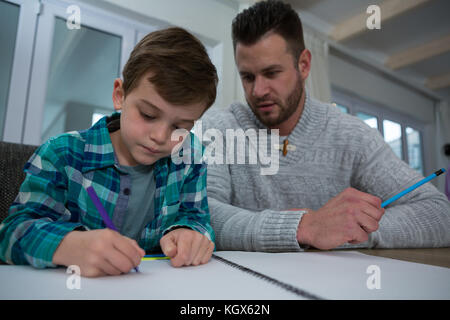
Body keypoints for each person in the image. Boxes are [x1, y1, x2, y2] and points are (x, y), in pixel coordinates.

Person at [201, 0, 450, 252]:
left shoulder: (353, 136)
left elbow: (440, 214)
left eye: (272, 72)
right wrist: (305, 227)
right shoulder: (219, 129)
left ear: (304, 65)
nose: (258, 90)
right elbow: (200, 215)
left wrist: (352, 231)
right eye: (248, 77)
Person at [0, 27, 217, 277]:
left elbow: (197, 219)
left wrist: (190, 233)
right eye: (148, 115)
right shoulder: (62, 154)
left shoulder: (189, 157)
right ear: (120, 95)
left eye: (180, 127)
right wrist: (68, 245)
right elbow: (11, 233)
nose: (160, 137)